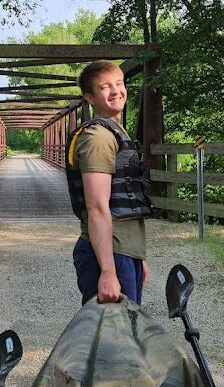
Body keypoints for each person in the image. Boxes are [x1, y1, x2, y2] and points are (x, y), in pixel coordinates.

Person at [65, 60, 153, 305]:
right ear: (90, 98)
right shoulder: (98, 138)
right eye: (105, 87)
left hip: (124, 251)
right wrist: (108, 271)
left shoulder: (116, 132)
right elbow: (97, 207)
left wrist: (138, 256)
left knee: (125, 337)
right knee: (112, 340)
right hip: (110, 254)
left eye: (119, 83)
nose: (116, 91)